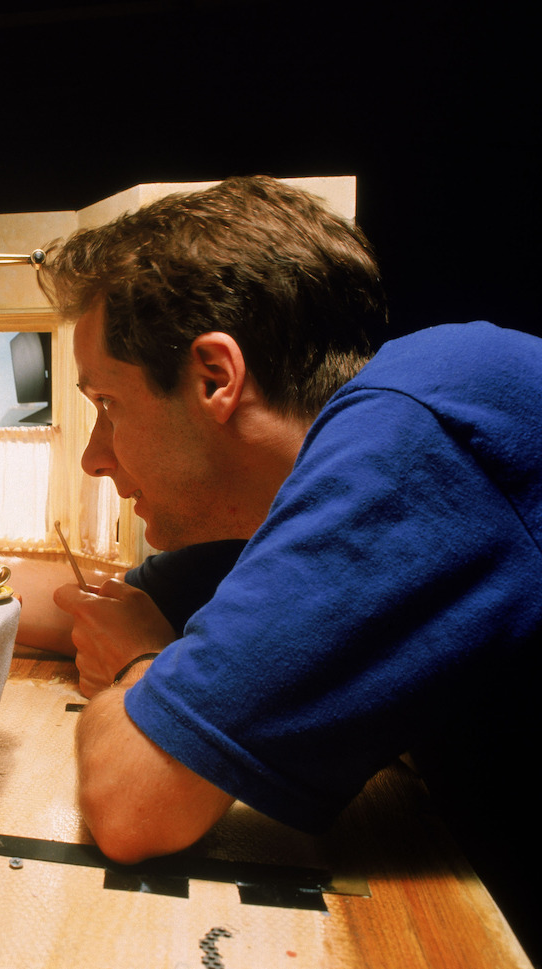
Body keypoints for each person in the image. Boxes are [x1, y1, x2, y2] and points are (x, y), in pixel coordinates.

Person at [42, 175, 540, 957]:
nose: (94, 455)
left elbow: (129, 801)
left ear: (215, 378)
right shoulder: (315, 489)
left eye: (108, 404)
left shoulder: (418, 429)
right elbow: (85, 601)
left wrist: (141, 662)